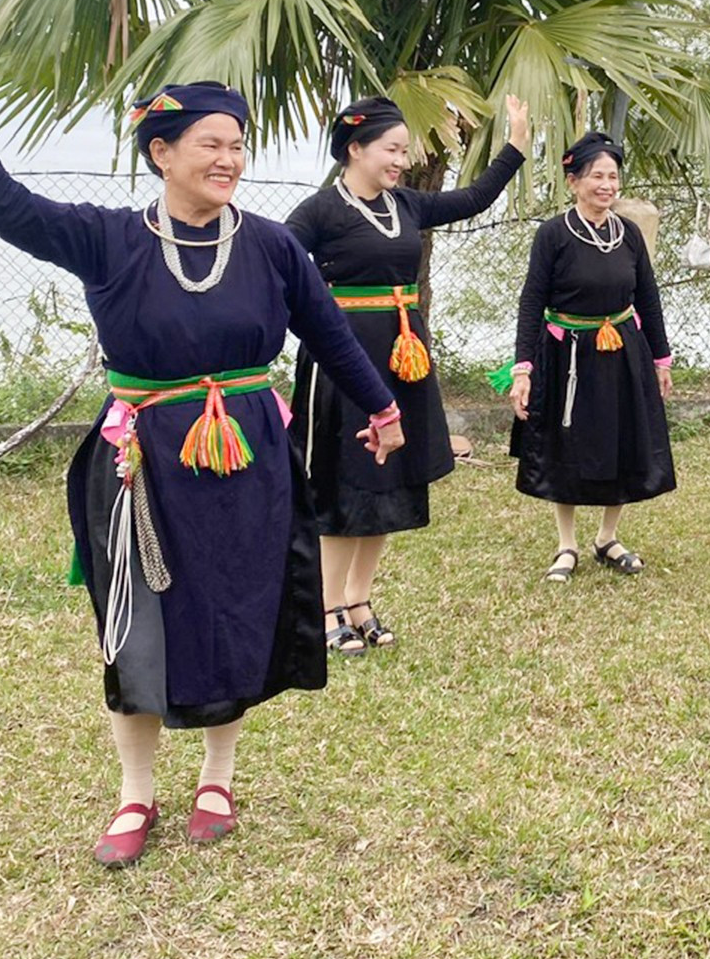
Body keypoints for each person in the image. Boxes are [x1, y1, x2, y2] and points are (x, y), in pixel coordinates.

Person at [0, 31, 403, 868]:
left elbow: (331, 334)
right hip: (142, 466)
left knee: (234, 610)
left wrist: (382, 407)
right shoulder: (109, 240)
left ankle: (218, 775)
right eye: (213, 144)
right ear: (162, 151)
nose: (230, 159)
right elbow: (1, 203)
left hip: (248, 463)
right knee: (134, 622)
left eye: (238, 144)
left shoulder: (273, 244)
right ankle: (136, 794)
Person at [285, 94, 528, 654]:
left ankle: (359, 600)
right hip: (342, 361)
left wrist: (514, 144)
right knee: (343, 485)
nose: (400, 159)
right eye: (392, 149)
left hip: (402, 356)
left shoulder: (407, 205)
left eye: (404, 150)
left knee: (388, 482)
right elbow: (278, 272)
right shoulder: (319, 212)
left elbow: (474, 198)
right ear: (355, 148)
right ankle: (325, 610)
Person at [506, 132, 674, 580]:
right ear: (574, 181)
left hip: (622, 353)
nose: (607, 185)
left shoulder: (629, 234)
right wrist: (522, 368)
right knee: (568, 447)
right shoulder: (553, 234)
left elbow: (648, 300)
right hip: (567, 357)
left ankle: (607, 537)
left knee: (620, 442)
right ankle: (567, 545)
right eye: (597, 176)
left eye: (613, 176)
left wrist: (661, 359)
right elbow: (531, 302)